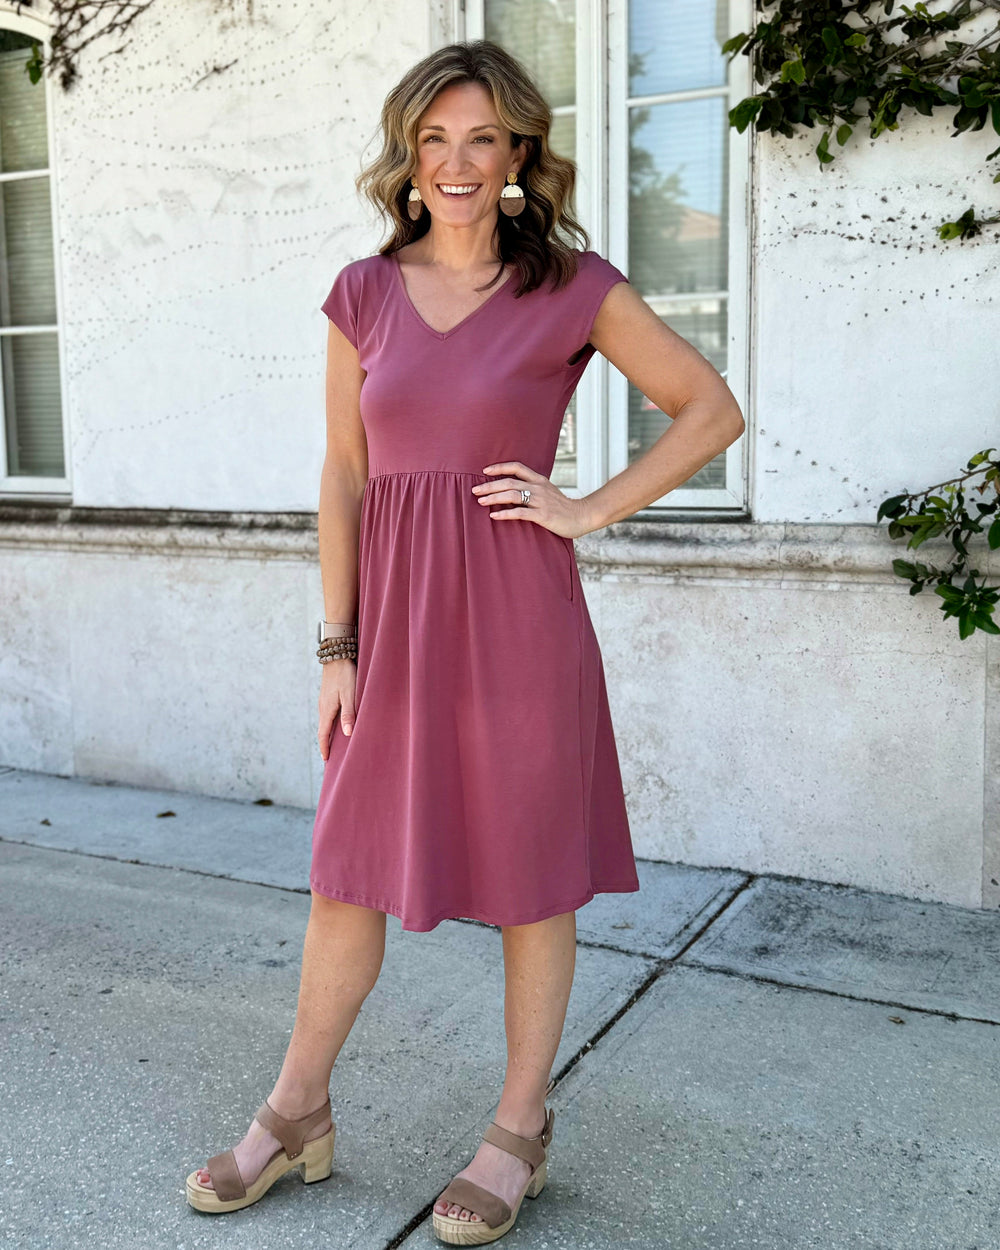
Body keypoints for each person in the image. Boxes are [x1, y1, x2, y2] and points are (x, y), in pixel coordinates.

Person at [185, 38, 745, 1245]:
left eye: (481, 138)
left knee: (531, 877)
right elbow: (345, 472)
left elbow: (710, 409)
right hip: (389, 629)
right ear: (407, 156)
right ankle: (296, 1106)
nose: (455, 161)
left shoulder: (573, 288)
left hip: (518, 622)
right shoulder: (362, 292)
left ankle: (518, 1125)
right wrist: (335, 644)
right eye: (432, 139)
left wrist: (584, 507)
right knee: (348, 869)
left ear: (517, 154)